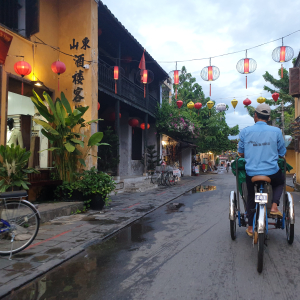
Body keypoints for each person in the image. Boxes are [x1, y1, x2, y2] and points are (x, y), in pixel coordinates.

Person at [238, 104, 286, 237]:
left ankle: (249, 226)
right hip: (271, 172)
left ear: (255, 116)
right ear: (269, 118)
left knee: (251, 195)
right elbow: (282, 152)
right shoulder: (276, 131)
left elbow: (241, 153)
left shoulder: (245, 131)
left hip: (252, 173)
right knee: (280, 181)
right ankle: (274, 206)